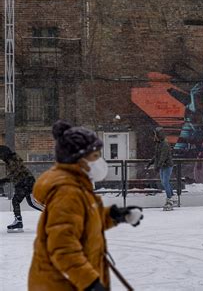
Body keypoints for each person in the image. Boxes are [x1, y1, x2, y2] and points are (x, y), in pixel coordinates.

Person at [28, 120, 143, 291]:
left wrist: (115, 215)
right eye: (95, 156)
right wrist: (90, 283)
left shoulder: (78, 185)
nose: (100, 161)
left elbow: (85, 220)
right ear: (79, 160)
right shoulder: (67, 193)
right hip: (61, 284)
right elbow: (63, 248)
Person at [0, 145, 43, 233]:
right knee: (22, 201)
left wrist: (3, 181)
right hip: (22, 183)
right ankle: (18, 221)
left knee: (32, 202)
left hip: (26, 182)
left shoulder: (12, 160)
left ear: (3, 154)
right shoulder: (9, 160)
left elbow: (15, 173)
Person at [147, 126, 176, 211]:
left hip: (167, 166)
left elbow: (163, 157)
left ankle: (169, 199)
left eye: (155, 135)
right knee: (164, 182)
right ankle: (172, 197)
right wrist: (150, 163)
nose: (154, 137)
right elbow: (156, 156)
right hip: (162, 166)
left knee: (165, 182)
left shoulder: (165, 144)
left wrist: (158, 166)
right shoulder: (159, 144)